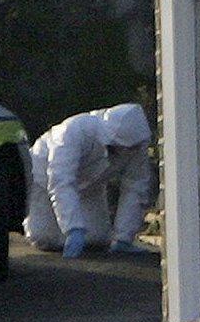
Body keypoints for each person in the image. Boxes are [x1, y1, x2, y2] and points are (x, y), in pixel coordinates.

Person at [23, 103, 152, 258]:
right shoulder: (73, 130)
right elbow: (61, 180)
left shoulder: (136, 148)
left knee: (96, 239)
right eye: (117, 146)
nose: (123, 152)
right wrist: (73, 228)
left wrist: (124, 236)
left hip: (89, 187)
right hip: (43, 179)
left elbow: (135, 188)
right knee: (45, 238)